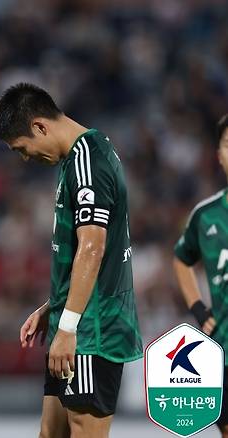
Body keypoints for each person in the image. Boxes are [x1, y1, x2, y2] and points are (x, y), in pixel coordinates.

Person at [0, 83, 142, 438]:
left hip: (93, 329)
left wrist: (69, 327)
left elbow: (93, 246)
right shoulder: (76, 159)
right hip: (77, 321)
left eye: (22, 148)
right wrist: (54, 306)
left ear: (40, 127)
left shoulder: (88, 159)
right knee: (50, 433)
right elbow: (83, 253)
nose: (25, 158)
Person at [173, 114, 228, 437]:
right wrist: (198, 308)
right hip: (223, 349)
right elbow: (182, 259)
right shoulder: (205, 215)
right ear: (219, 156)